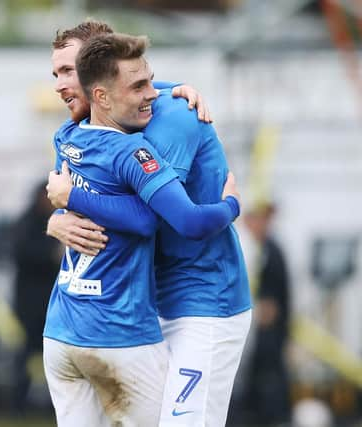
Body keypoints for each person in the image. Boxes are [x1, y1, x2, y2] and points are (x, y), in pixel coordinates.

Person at [46, 20, 252, 427]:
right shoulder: (84, 131)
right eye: (57, 74)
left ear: (98, 74)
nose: (60, 84)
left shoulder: (170, 117)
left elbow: (154, 217)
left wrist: (232, 205)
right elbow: (75, 192)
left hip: (204, 300)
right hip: (143, 304)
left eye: (69, 71)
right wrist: (57, 218)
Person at [230, 201, 291, 426]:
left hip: (266, 339)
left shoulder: (272, 251)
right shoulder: (247, 247)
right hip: (245, 328)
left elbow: (280, 300)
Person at [10, 181, 62, 412]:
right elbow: (22, 253)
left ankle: (51, 402)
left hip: (54, 302)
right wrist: (51, 254)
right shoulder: (26, 223)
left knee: (55, 355)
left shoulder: (63, 219)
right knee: (26, 353)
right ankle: (19, 402)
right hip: (30, 304)